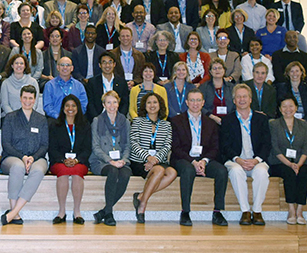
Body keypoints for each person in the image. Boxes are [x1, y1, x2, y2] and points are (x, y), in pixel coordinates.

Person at [171, 89, 229, 226]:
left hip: (204, 160)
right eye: (192, 100)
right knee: (188, 170)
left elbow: (215, 148)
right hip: (183, 159)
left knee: (222, 171)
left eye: (198, 100)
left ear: (203, 103)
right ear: (187, 102)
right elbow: (176, 147)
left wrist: (203, 161)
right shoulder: (176, 121)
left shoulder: (211, 123)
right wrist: (193, 162)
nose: (195, 103)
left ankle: (217, 212)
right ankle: (185, 211)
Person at [220, 84, 271, 226]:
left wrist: (256, 160)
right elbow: (224, 145)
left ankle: (257, 211)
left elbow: (267, 144)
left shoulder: (261, 119)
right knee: (236, 171)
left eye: (244, 96)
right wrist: (238, 160)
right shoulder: (227, 120)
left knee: (261, 172)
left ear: (250, 99)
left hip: (257, 160)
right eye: (238, 97)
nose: (241, 99)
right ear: (234, 100)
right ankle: (245, 211)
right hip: (235, 160)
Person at [0, 85, 49, 225]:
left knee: (39, 170)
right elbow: (6, 144)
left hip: (37, 157)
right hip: (12, 157)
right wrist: (23, 157)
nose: (28, 101)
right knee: (17, 167)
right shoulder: (10, 118)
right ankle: (13, 211)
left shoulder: (41, 119)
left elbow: (45, 145)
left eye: (31, 98)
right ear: (20, 98)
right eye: (25, 98)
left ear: (35, 100)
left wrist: (33, 157)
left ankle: (14, 212)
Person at [129, 93, 177, 224]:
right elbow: (133, 143)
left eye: (155, 102)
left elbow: (167, 145)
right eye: (149, 102)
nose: (152, 105)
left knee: (172, 172)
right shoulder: (138, 121)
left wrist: (154, 159)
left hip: (158, 161)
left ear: (160, 105)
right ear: (144, 106)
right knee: (160, 171)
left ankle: (141, 197)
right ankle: (142, 206)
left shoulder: (166, 125)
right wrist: (148, 158)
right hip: (139, 161)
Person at [268, 94, 307, 225]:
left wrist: (298, 164)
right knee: (289, 173)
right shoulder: (274, 124)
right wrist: (290, 164)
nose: (288, 109)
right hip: (279, 161)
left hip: (301, 161)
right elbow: (275, 148)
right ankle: (291, 209)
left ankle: (300, 210)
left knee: (304, 173)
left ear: (296, 108)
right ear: (280, 109)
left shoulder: (304, 125)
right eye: (284, 106)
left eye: (291, 106)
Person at [89, 91, 130, 226]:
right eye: (108, 102)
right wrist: (110, 161)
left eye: (114, 102)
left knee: (125, 174)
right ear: (103, 105)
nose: (112, 105)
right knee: (113, 171)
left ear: (118, 104)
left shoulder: (124, 121)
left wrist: (123, 160)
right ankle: (109, 213)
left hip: (120, 159)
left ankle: (103, 212)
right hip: (101, 161)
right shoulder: (97, 121)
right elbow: (95, 146)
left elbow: (127, 145)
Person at [49, 95, 91, 225]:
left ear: (78, 108)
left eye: (73, 105)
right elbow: (52, 148)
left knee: (77, 173)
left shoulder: (85, 125)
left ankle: (77, 212)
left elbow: (87, 148)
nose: (70, 108)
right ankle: (61, 212)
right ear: (62, 108)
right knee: (63, 172)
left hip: (79, 162)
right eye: (67, 106)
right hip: (59, 161)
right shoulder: (55, 125)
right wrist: (63, 160)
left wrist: (77, 160)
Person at [85, 52, 130, 120]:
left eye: (110, 62)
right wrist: (97, 119)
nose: (107, 65)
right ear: (100, 65)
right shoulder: (92, 82)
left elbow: (125, 103)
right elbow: (90, 104)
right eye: (104, 62)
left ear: (114, 64)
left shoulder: (121, 82)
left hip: (117, 119)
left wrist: (119, 118)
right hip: (98, 119)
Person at [199, 58, 235, 124]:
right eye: (214, 68)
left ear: (224, 70)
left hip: (229, 120)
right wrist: (212, 117)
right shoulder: (204, 87)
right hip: (209, 120)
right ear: (210, 71)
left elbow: (235, 105)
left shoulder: (231, 87)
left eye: (220, 68)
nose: (217, 70)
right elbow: (200, 105)